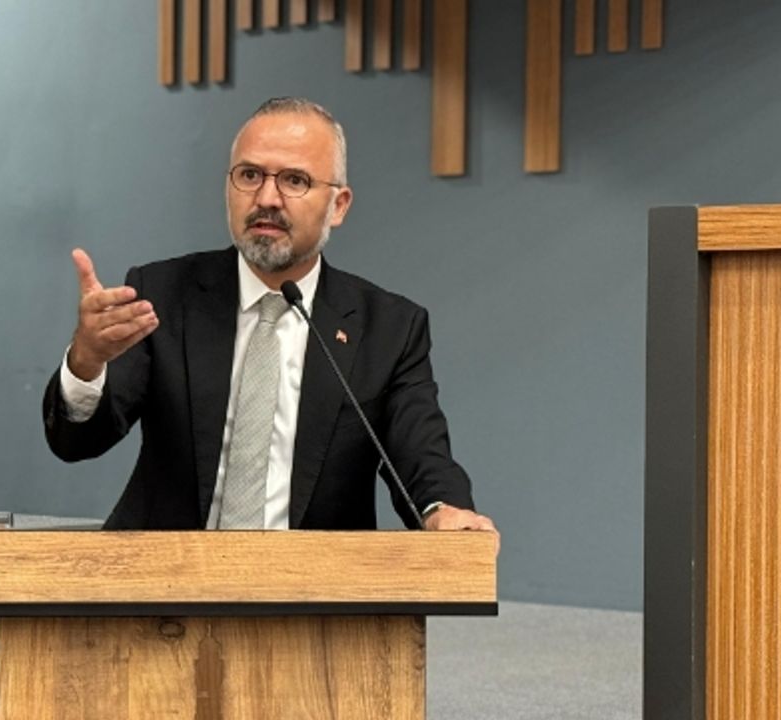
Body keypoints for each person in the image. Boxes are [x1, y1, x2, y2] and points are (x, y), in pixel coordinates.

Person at [43, 97, 495, 538]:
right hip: (168, 578)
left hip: (314, 583)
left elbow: (420, 453)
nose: (267, 198)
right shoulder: (163, 294)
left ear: (338, 205)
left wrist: (442, 509)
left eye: (295, 180)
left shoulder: (388, 329)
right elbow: (76, 441)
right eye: (250, 175)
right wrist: (86, 362)